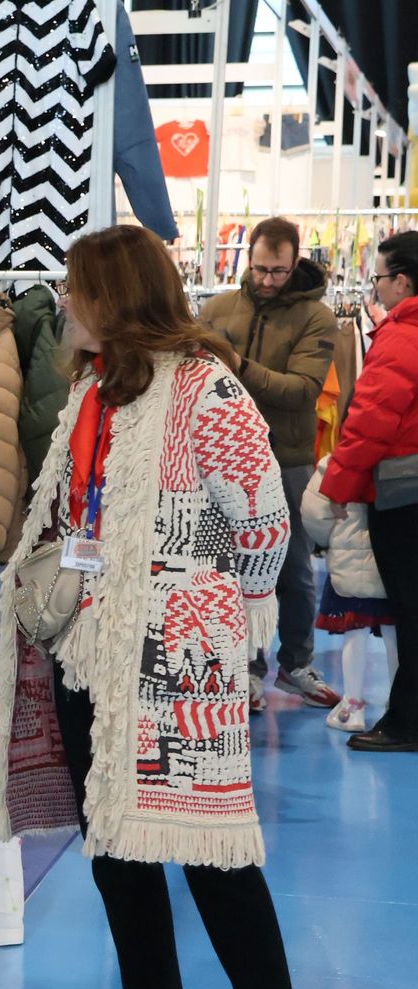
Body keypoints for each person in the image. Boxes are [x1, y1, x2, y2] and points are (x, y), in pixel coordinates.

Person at [0, 226, 300, 989]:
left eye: (77, 287)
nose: (64, 300)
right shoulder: (92, 388)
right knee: (115, 846)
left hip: (177, 663)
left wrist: (218, 609)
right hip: (87, 652)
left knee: (211, 852)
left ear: (117, 297)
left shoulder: (205, 388)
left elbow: (264, 521)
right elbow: (68, 507)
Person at [199, 217, 340, 711]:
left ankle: (296, 663)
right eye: (259, 268)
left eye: (277, 271)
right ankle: (245, 668)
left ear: (294, 262)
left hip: (285, 458)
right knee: (230, 566)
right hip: (222, 459)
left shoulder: (317, 317)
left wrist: (236, 365)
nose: (266, 279)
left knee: (294, 568)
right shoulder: (217, 309)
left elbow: (301, 390)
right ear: (248, 257)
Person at [318, 231, 418, 752]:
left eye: (377, 277)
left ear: (401, 281)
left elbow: (369, 424)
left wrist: (338, 487)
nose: (374, 287)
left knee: (410, 607)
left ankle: (406, 723)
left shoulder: (401, 337)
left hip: (404, 493)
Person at [298, 457, 396, 734]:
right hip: (394, 561)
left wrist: (331, 539)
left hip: (349, 562)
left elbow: (314, 512)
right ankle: (399, 700)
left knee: (355, 631)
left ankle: (352, 707)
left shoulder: (338, 461)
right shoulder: (403, 455)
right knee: (396, 632)